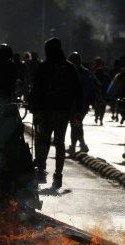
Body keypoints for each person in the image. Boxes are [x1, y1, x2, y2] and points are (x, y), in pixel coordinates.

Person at [29, 38, 83, 189]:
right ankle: (57, 176)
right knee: (59, 143)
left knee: (43, 140)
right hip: (63, 111)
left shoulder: (44, 67)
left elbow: (36, 90)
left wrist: (34, 108)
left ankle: (41, 170)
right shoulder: (70, 67)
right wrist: (78, 111)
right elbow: (78, 91)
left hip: (46, 111)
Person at [66, 52, 100, 156]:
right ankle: (81, 145)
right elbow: (97, 85)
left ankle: (74, 146)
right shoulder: (87, 72)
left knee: (75, 124)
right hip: (84, 104)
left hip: (75, 103)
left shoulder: (71, 71)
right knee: (77, 124)